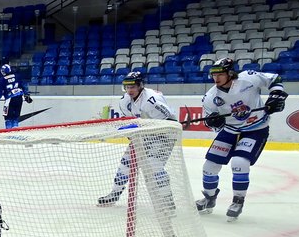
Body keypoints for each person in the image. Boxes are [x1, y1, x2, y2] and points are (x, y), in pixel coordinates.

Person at [195, 58, 287, 221]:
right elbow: (211, 122)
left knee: (239, 162)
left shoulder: (248, 78)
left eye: (220, 74)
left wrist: (276, 95)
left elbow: (274, 79)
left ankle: (238, 200)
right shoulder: (211, 96)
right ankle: (209, 197)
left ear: (230, 73)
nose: (216, 79)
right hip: (230, 131)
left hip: (256, 129)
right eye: (214, 75)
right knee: (209, 166)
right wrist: (213, 122)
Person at [98, 70, 178, 205]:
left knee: (154, 166)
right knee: (125, 164)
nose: (129, 90)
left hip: (163, 135)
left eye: (133, 87)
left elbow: (169, 121)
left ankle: (167, 200)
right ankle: (114, 194)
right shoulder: (124, 101)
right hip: (142, 135)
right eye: (127, 87)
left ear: (140, 85)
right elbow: (131, 120)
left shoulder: (152, 101)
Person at [0, 64, 32, 129]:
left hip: (9, 99)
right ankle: (15, 132)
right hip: (19, 98)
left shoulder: (1, 80)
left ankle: (8, 133)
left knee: (8, 118)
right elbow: (23, 87)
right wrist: (26, 95)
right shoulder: (17, 76)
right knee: (15, 117)